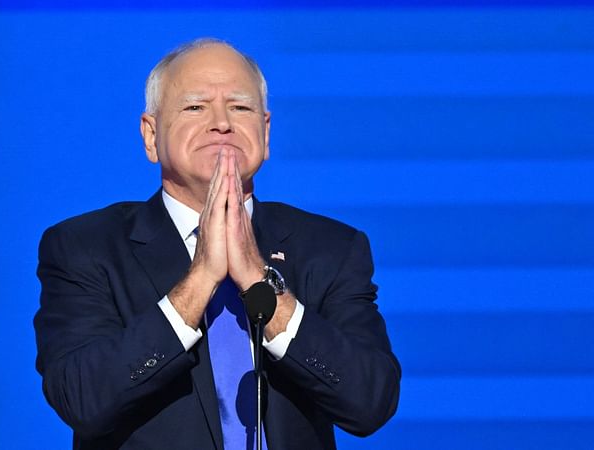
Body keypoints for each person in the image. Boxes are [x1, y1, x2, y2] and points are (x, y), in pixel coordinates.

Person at [34, 38, 400, 450]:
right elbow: (83, 398)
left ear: (265, 132)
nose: (221, 122)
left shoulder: (331, 247)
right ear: (151, 136)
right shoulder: (85, 247)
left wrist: (261, 287)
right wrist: (201, 278)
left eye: (240, 107)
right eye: (195, 107)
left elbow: (371, 402)